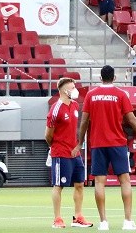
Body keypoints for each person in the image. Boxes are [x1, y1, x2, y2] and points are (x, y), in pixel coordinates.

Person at [77, 65, 136, 231]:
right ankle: (127, 221)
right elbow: (132, 119)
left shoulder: (91, 95)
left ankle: (103, 222)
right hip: (117, 143)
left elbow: (84, 121)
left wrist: (79, 142)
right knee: (125, 180)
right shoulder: (121, 94)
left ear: (100, 78)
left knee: (99, 182)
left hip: (98, 143)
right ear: (114, 78)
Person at [46, 77, 92, 229]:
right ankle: (57, 219)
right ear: (65, 91)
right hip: (61, 153)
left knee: (79, 184)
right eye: (72, 88)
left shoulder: (74, 105)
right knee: (59, 185)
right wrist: (55, 148)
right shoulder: (56, 108)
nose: (75, 90)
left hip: (75, 153)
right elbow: (48, 135)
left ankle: (78, 217)